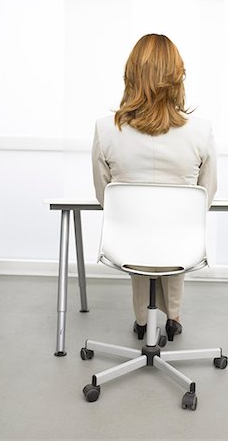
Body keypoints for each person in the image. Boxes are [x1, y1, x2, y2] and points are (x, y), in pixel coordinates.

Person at [92, 33, 217, 341]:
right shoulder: (200, 132)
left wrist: (133, 210)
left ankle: (141, 320)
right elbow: (207, 195)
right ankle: (173, 316)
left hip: (125, 244)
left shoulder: (106, 129)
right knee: (173, 232)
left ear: (130, 74)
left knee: (138, 231)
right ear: (177, 76)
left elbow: (104, 194)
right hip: (181, 244)